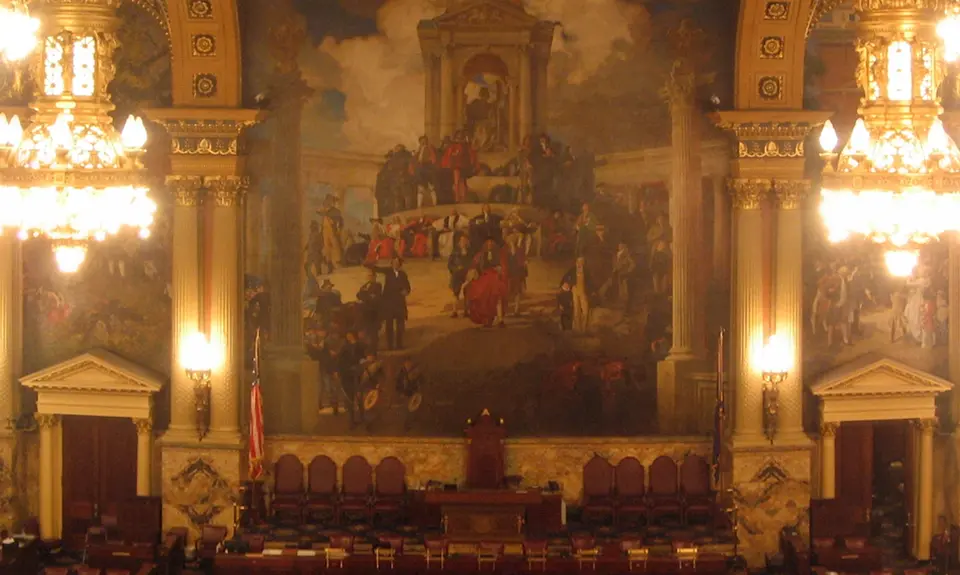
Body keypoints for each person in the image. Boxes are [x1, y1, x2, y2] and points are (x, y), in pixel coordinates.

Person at [368, 256, 411, 350]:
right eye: (394, 263)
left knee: (400, 325)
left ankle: (399, 345)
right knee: (389, 326)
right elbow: (377, 269)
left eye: (397, 263)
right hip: (389, 303)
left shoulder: (403, 274)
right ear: (391, 264)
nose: (395, 265)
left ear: (400, 265)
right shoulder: (388, 272)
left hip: (399, 302)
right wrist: (369, 265)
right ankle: (390, 346)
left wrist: (406, 291)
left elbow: (408, 287)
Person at [465, 238, 508, 328]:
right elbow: (474, 266)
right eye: (487, 244)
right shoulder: (480, 256)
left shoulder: (499, 255)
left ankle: (500, 320)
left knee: (497, 297)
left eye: (491, 244)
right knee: (485, 300)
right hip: (485, 278)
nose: (489, 246)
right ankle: (488, 320)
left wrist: (499, 270)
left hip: (495, 278)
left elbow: (503, 267)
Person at [337, 331, 366, 426]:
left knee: (360, 397)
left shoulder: (360, 345)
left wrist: (362, 361)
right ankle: (351, 421)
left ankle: (363, 418)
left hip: (358, 374)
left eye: (350, 334)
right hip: (348, 375)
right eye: (347, 334)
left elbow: (363, 357)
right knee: (350, 399)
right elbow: (340, 360)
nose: (348, 336)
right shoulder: (344, 347)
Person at [356, 270, 383, 350]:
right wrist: (366, 295)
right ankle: (368, 349)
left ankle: (374, 349)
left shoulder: (378, 285)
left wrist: (365, 295)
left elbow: (375, 298)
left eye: (371, 276)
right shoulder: (365, 285)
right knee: (367, 330)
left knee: (373, 332)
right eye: (369, 276)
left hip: (374, 312)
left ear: (375, 277)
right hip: (366, 313)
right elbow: (358, 295)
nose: (370, 277)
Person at [448, 235, 473, 318]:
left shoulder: (470, 252)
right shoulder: (455, 252)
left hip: (466, 273)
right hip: (457, 274)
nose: (463, 242)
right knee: (456, 293)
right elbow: (449, 264)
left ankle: (466, 310)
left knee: (468, 292)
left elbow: (472, 263)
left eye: (465, 240)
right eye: (462, 240)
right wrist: (456, 269)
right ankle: (454, 311)